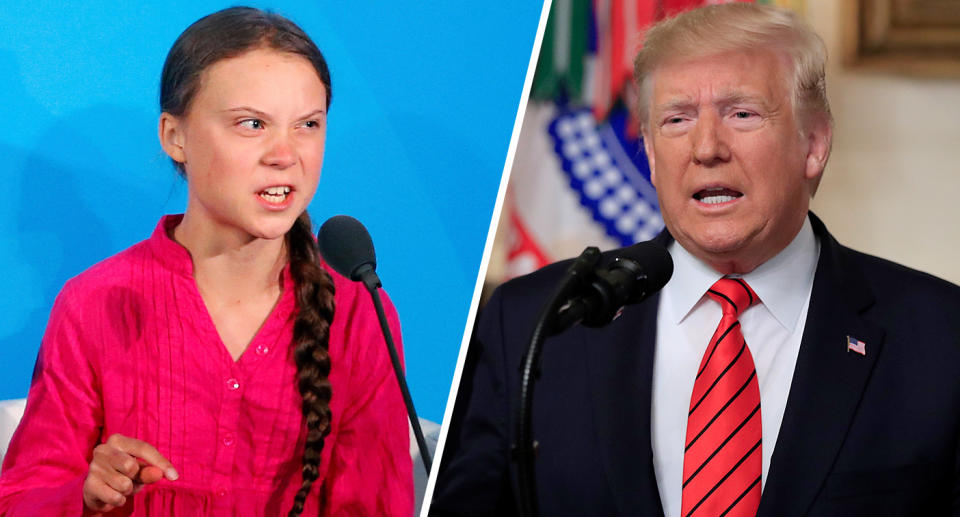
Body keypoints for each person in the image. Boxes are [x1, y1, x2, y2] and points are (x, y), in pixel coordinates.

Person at [432, 3, 960, 517]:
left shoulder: (939, 335)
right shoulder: (535, 321)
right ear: (654, 156)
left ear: (814, 143)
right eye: (678, 119)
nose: (706, 148)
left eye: (742, 113)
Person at [0, 7, 412, 516]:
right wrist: (84, 497)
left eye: (308, 124)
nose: (285, 153)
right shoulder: (93, 302)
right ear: (175, 136)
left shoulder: (358, 312)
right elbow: (23, 497)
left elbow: (375, 504)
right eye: (252, 123)